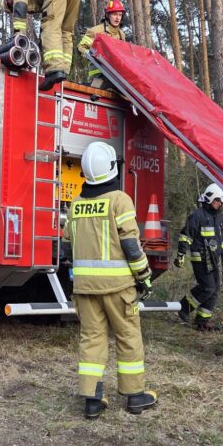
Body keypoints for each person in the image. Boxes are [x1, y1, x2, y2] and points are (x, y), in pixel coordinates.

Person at [60, 141, 157, 419]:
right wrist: (144, 277)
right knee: (128, 337)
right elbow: (131, 246)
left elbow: (66, 249)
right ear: (112, 168)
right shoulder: (119, 200)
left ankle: (92, 401)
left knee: (91, 339)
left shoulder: (76, 205)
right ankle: (135, 397)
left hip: (84, 289)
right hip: (118, 288)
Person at [0, 0, 84, 91]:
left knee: (50, 25)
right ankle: (64, 70)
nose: (12, 6)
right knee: (66, 31)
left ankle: (54, 70)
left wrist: (18, 36)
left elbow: (20, 6)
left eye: (10, 5)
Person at [175, 183, 223, 331]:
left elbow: (222, 241)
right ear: (209, 199)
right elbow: (185, 236)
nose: (220, 204)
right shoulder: (197, 216)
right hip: (200, 259)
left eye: (221, 201)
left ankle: (202, 321)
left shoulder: (218, 218)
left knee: (214, 290)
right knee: (207, 288)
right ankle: (184, 308)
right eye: (217, 200)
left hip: (213, 260)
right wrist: (181, 254)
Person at [77, 0, 132, 89]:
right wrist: (89, 54)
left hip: (115, 76)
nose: (117, 18)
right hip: (98, 76)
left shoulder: (121, 35)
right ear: (107, 15)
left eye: (120, 15)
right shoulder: (96, 31)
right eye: (114, 14)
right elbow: (81, 47)